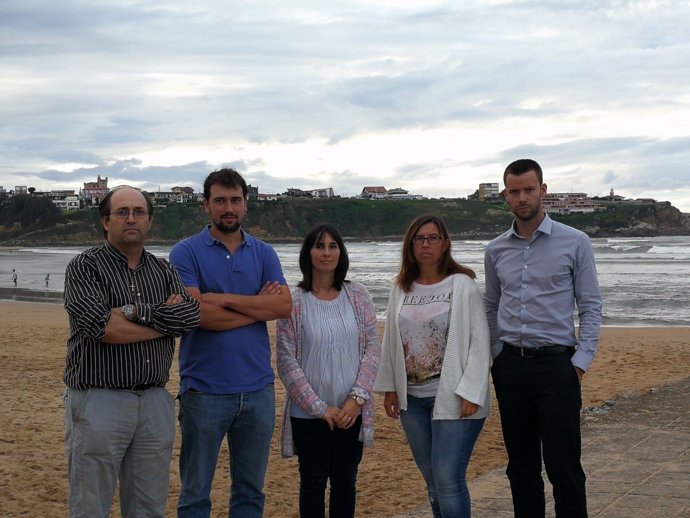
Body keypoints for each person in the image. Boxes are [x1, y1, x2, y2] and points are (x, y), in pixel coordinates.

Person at [63, 185, 200, 518]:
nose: (131, 219)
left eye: (139, 212)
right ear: (105, 221)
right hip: (99, 400)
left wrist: (134, 312)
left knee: (149, 507)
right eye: (122, 212)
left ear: (149, 221)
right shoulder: (84, 267)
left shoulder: (164, 270)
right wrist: (163, 322)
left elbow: (189, 316)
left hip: (154, 402)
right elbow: (103, 328)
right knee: (90, 505)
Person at [169, 168, 292, 518]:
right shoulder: (185, 252)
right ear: (206, 205)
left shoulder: (264, 252)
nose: (228, 208)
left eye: (235, 200)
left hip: (258, 391)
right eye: (220, 200)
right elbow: (194, 315)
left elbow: (283, 306)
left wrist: (218, 298)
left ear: (245, 204)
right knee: (195, 494)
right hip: (203, 392)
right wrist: (257, 307)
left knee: (250, 494)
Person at [484, 159, 602, 518]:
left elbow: (591, 307)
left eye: (529, 189)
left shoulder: (575, 241)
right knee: (521, 468)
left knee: (564, 468)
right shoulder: (496, 249)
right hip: (510, 369)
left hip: (557, 367)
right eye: (514, 191)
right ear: (505, 195)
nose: (522, 197)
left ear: (543, 191)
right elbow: (490, 305)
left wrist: (579, 364)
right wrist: (496, 355)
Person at [375, 214, 491, 518]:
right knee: (432, 480)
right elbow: (391, 341)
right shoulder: (400, 288)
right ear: (410, 245)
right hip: (411, 400)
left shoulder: (462, 285)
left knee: (448, 479)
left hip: (452, 395)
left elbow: (480, 342)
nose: (425, 244)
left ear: (445, 244)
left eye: (432, 238)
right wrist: (390, 388)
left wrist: (471, 392)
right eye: (419, 238)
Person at [276, 223, 381, 518]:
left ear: (341, 252)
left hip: (352, 412)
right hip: (309, 414)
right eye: (319, 246)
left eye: (333, 246)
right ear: (308, 252)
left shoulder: (358, 295)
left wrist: (355, 400)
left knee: (346, 483)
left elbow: (373, 350)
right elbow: (286, 360)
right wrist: (321, 409)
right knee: (312, 483)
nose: (326, 252)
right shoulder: (294, 301)